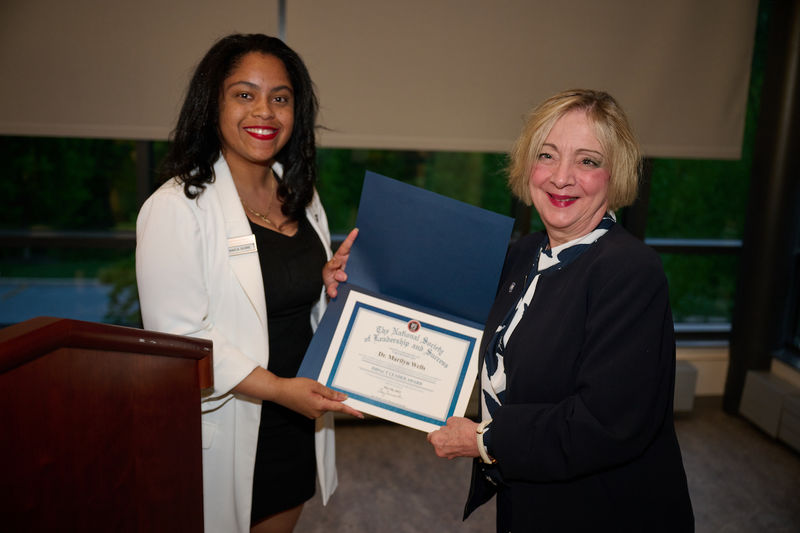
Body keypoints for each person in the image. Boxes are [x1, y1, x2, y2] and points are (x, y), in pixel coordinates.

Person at [427, 89, 694, 532]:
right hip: (529, 500)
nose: (561, 177)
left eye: (587, 161)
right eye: (547, 155)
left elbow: (604, 424)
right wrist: (348, 280)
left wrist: (483, 440)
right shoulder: (525, 252)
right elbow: (436, 309)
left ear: (615, 174)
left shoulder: (630, 271)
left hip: (604, 511)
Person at [135, 33, 362, 533]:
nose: (265, 112)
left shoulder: (298, 192)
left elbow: (285, 297)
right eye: (245, 94)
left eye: (280, 98)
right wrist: (280, 390)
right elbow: (182, 342)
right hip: (229, 425)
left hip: (294, 422)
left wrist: (326, 282)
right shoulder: (175, 207)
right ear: (212, 104)